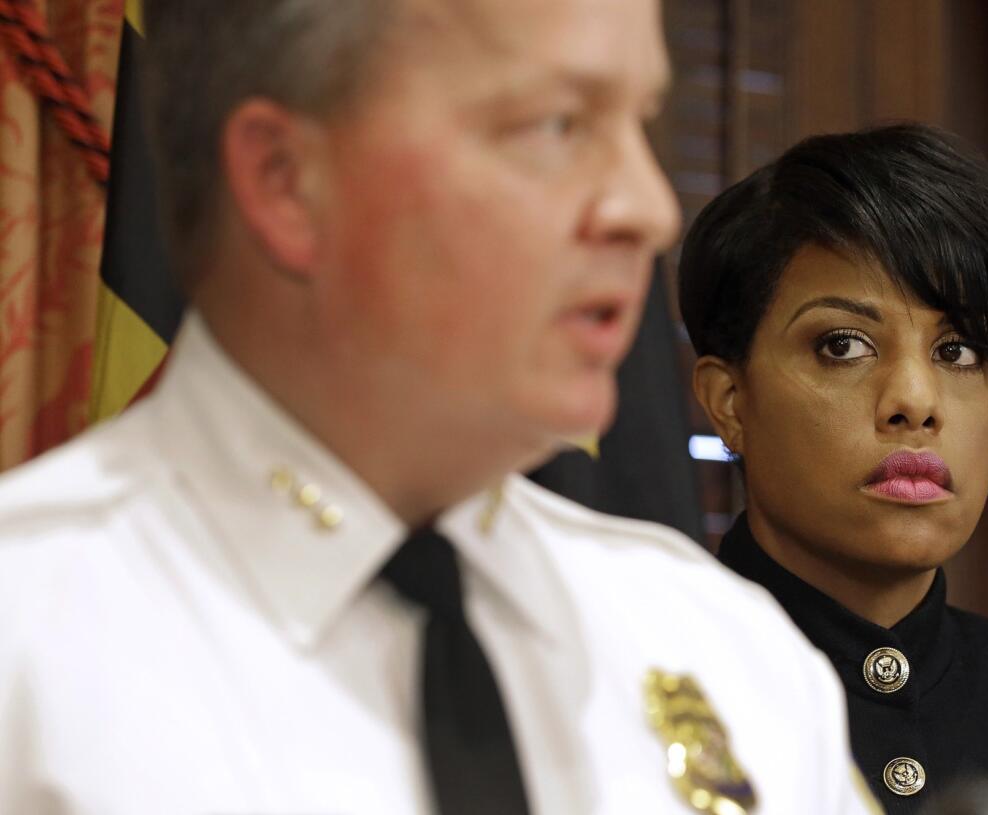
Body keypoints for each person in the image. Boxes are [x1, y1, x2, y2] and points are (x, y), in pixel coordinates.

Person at [0, 2, 880, 814]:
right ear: (285, 180)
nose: (648, 209)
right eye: (557, 125)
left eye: (640, 123)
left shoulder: (724, 654)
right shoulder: (30, 649)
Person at [678, 125, 988, 814]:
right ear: (730, 400)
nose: (914, 403)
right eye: (843, 345)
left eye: (959, 351)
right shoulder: (633, 676)